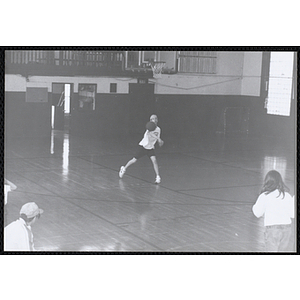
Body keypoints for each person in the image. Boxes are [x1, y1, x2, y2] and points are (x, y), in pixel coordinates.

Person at [252, 170, 295, 252]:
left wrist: (256, 205)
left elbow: (257, 213)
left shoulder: (264, 196)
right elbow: (292, 214)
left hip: (272, 229)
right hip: (287, 228)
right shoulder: (287, 195)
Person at [119, 114, 164, 184]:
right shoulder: (149, 128)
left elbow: (157, 137)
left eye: (155, 119)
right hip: (143, 147)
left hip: (150, 148)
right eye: (152, 119)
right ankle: (123, 168)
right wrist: (158, 138)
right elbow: (151, 134)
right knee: (134, 160)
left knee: (154, 161)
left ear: (157, 120)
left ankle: (158, 177)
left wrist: (159, 142)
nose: (154, 120)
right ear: (150, 121)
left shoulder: (158, 129)